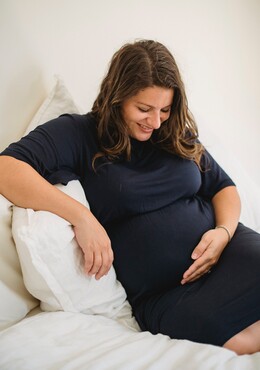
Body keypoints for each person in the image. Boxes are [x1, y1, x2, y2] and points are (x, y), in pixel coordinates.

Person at [0, 39, 259, 355]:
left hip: (228, 252)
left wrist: (223, 233)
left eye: (165, 109)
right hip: (165, 293)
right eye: (144, 109)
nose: (155, 122)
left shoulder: (173, 131)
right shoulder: (79, 134)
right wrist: (82, 217)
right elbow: (6, 168)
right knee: (232, 340)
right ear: (117, 97)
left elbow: (223, 187)